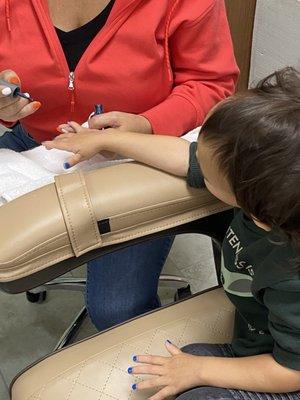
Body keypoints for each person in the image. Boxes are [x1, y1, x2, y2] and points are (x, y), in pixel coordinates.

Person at [44, 67, 300, 399]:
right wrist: (106, 139)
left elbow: (291, 370)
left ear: (257, 209)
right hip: (259, 338)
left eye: (208, 178)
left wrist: (200, 370)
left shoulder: (290, 279)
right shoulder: (274, 191)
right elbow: (186, 157)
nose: (197, 168)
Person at [0, 0, 239, 330]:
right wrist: (5, 106)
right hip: (43, 142)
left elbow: (211, 83)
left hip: (138, 154)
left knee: (116, 309)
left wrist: (145, 125)